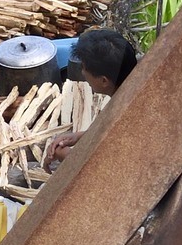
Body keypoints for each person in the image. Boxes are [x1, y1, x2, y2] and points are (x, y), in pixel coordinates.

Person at [44, 24, 138, 165]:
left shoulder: (126, 120)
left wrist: (65, 155)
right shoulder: (132, 93)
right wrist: (79, 137)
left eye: (84, 68)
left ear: (104, 81)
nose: (82, 73)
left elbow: (102, 168)